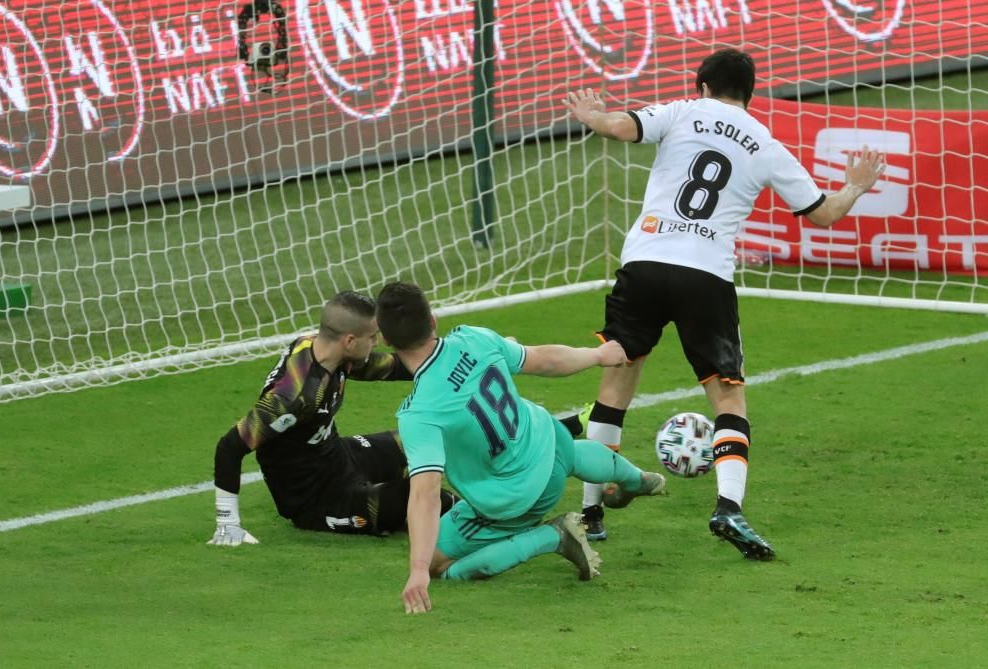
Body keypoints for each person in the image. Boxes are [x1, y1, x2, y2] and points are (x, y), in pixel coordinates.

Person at [562, 48, 886, 558]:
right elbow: (824, 215)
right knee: (727, 399)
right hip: (706, 276)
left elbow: (621, 127)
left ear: (703, 86)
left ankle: (592, 513)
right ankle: (728, 507)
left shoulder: (683, 111)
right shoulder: (764, 142)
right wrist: (856, 186)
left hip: (644, 263)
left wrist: (591, 116)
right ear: (749, 94)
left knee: (616, 381)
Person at [375, 281, 665, 614]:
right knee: (573, 451)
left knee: (439, 565)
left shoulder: (419, 413)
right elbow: (544, 359)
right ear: (433, 320)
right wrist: (598, 355)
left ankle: (553, 536)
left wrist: (418, 569)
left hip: (519, 498)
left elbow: (425, 494)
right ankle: (636, 479)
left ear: (385, 341)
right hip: (551, 440)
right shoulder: (474, 338)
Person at [207, 290, 452, 545]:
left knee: (433, 438)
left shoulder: (329, 352)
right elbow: (229, 447)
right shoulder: (294, 398)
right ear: (349, 341)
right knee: (430, 499)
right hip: (319, 499)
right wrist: (228, 524)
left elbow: (389, 367)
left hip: (339, 456)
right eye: (372, 337)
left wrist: (448, 363)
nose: (378, 342)